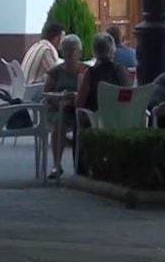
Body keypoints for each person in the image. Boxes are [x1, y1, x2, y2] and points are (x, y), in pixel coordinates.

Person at [43, 34, 85, 179]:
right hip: (58, 109)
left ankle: (84, 166)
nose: (68, 53)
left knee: (87, 122)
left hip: (79, 109)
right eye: (65, 49)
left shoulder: (85, 70)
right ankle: (56, 164)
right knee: (59, 122)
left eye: (72, 50)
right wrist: (60, 99)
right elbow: (46, 94)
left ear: (79, 52)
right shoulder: (56, 71)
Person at [75, 32, 130, 112]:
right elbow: (127, 98)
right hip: (118, 118)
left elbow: (79, 103)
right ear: (112, 49)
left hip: (96, 119)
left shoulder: (90, 73)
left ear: (94, 50)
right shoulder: (119, 70)